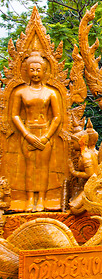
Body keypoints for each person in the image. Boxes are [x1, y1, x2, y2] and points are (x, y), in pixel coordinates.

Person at [11, 52, 61, 212]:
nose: (35, 73)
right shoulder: (20, 92)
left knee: (43, 167)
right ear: (26, 71)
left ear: (44, 71)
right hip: (28, 133)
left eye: (38, 70)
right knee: (30, 167)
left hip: (45, 133)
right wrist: (26, 135)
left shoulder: (50, 93)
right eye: (32, 70)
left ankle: (41, 199)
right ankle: (29, 199)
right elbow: (15, 115)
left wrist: (46, 136)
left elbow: (57, 117)